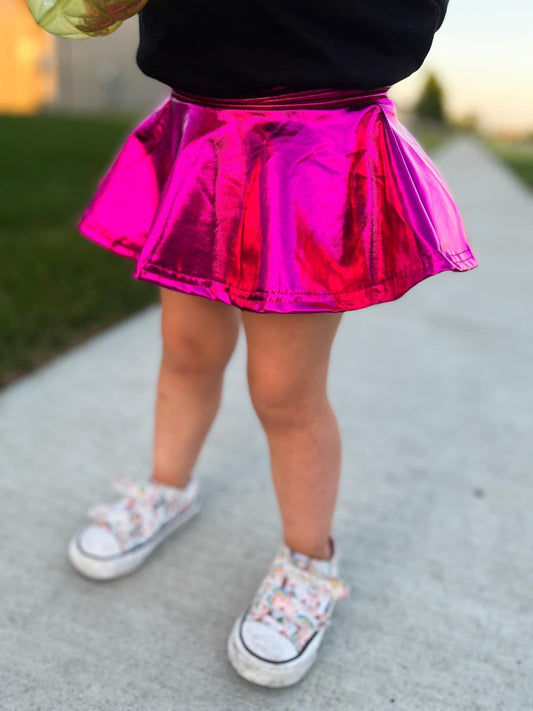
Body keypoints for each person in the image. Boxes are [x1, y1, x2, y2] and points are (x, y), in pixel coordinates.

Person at [68, 0, 478, 688]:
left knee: (284, 388)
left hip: (313, 131)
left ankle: (307, 560)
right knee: (187, 347)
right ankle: (167, 488)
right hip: (202, 120)